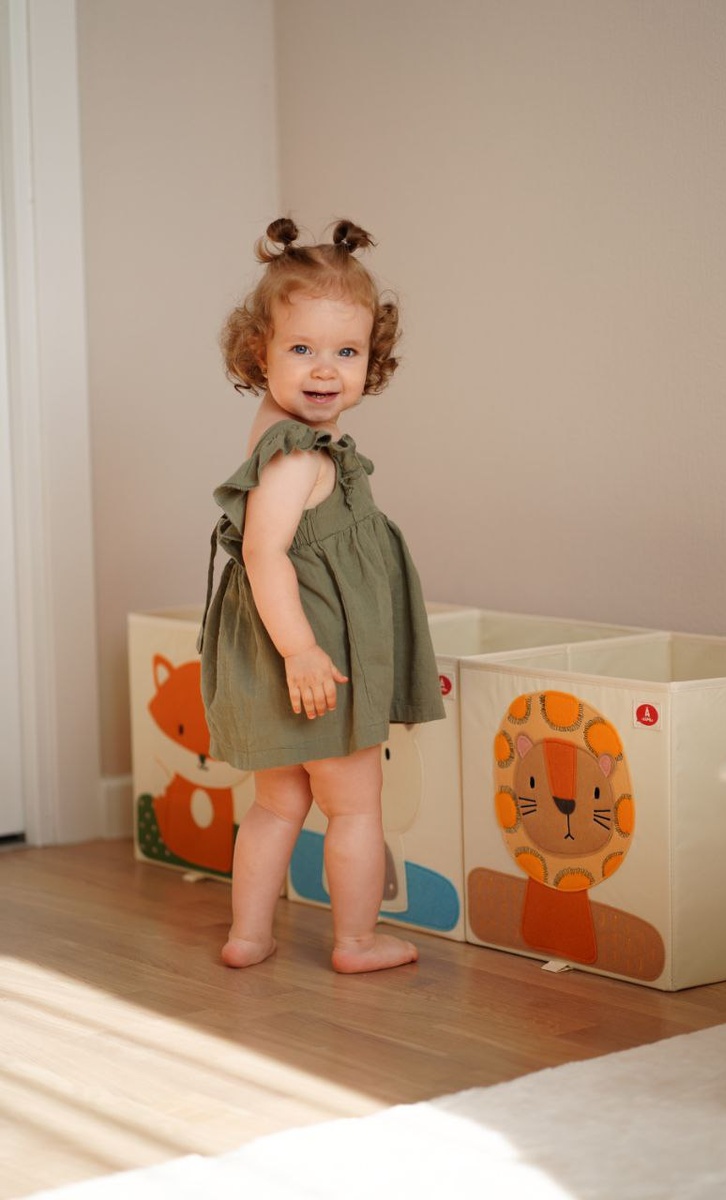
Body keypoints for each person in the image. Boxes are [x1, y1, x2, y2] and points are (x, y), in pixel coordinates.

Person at [198, 217, 445, 974]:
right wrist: (303, 650)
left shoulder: (279, 425)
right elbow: (262, 551)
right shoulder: (296, 458)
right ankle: (356, 941)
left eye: (346, 352)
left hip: (280, 654)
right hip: (315, 663)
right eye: (301, 349)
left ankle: (250, 935)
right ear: (259, 354)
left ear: (373, 360)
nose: (325, 370)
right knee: (355, 806)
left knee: (277, 804)